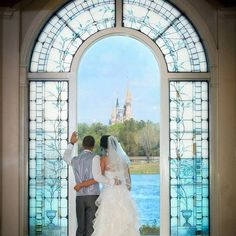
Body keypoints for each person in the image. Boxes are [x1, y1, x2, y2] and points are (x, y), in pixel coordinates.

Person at [74, 135, 140, 236]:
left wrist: (81, 184)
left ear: (103, 146)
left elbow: (98, 177)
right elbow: (129, 185)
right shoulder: (124, 160)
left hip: (109, 195)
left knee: (107, 223)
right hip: (123, 196)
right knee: (123, 222)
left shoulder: (104, 159)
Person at [63, 132, 118, 236]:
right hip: (93, 197)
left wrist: (71, 143)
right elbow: (98, 177)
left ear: (83, 145)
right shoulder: (96, 158)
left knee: (80, 228)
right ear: (93, 146)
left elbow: (65, 157)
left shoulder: (75, 160)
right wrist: (112, 181)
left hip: (80, 197)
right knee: (91, 229)